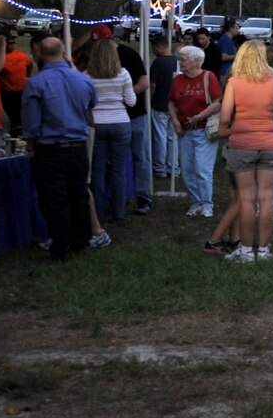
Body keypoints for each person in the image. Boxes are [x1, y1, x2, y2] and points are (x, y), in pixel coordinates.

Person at [209, 40, 273, 262]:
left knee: (246, 199)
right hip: (269, 141)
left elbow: (225, 117)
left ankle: (246, 251)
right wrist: (270, 113)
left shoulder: (235, 82)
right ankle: (263, 250)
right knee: (266, 197)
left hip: (242, 142)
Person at [23, 37, 97, 261]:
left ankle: (60, 244)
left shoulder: (36, 83)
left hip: (51, 148)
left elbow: (31, 122)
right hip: (77, 146)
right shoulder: (83, 80)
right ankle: (81, 239)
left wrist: (31, 142)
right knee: (79, 194)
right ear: (64, 52)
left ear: (40, 54)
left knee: (55, 200)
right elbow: (91, 104)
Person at [85, 38, 138, 222]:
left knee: (97, 170)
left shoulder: (87, 76)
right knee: (118, 169)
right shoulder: (123, 74)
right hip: (120, 121)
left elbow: (86, 103)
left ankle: (98, 212)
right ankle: (119, 211)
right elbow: (131, 101)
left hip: (97, 124)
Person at [171, 46, 222, 223]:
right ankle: (195, 202)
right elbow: (171, 102)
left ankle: (207, 204)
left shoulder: (209, 77)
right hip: (185, 131)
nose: (180, 63)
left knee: (202, 169)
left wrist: (200, 116)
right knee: (186, 169)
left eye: (183, 59)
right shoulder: (178, 80)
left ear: (195, 61)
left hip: (204, 130)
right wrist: (176, 122)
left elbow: (217, 102)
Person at [148, 34, 179, 185]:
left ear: (159, 47)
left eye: (154, 48)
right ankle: (173, 166)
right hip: (175, 105)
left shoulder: (158, 63)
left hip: (159, 103)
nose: (153, 51)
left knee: (159, 137)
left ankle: (159, 167)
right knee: (172, 138)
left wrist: (149, 99)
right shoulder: (178, 62)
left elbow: (152, 85)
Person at [0, 30, 31, 137]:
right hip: (7, 92)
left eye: (13, 43)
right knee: (14, 116)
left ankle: (20, 134)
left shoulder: (21, 55)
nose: (12, 45)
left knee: (22, 115)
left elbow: (29, 63)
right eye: (9, 43)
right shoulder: (0, 58)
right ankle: (15, 135)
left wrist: (27, 77)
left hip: (21, 90)